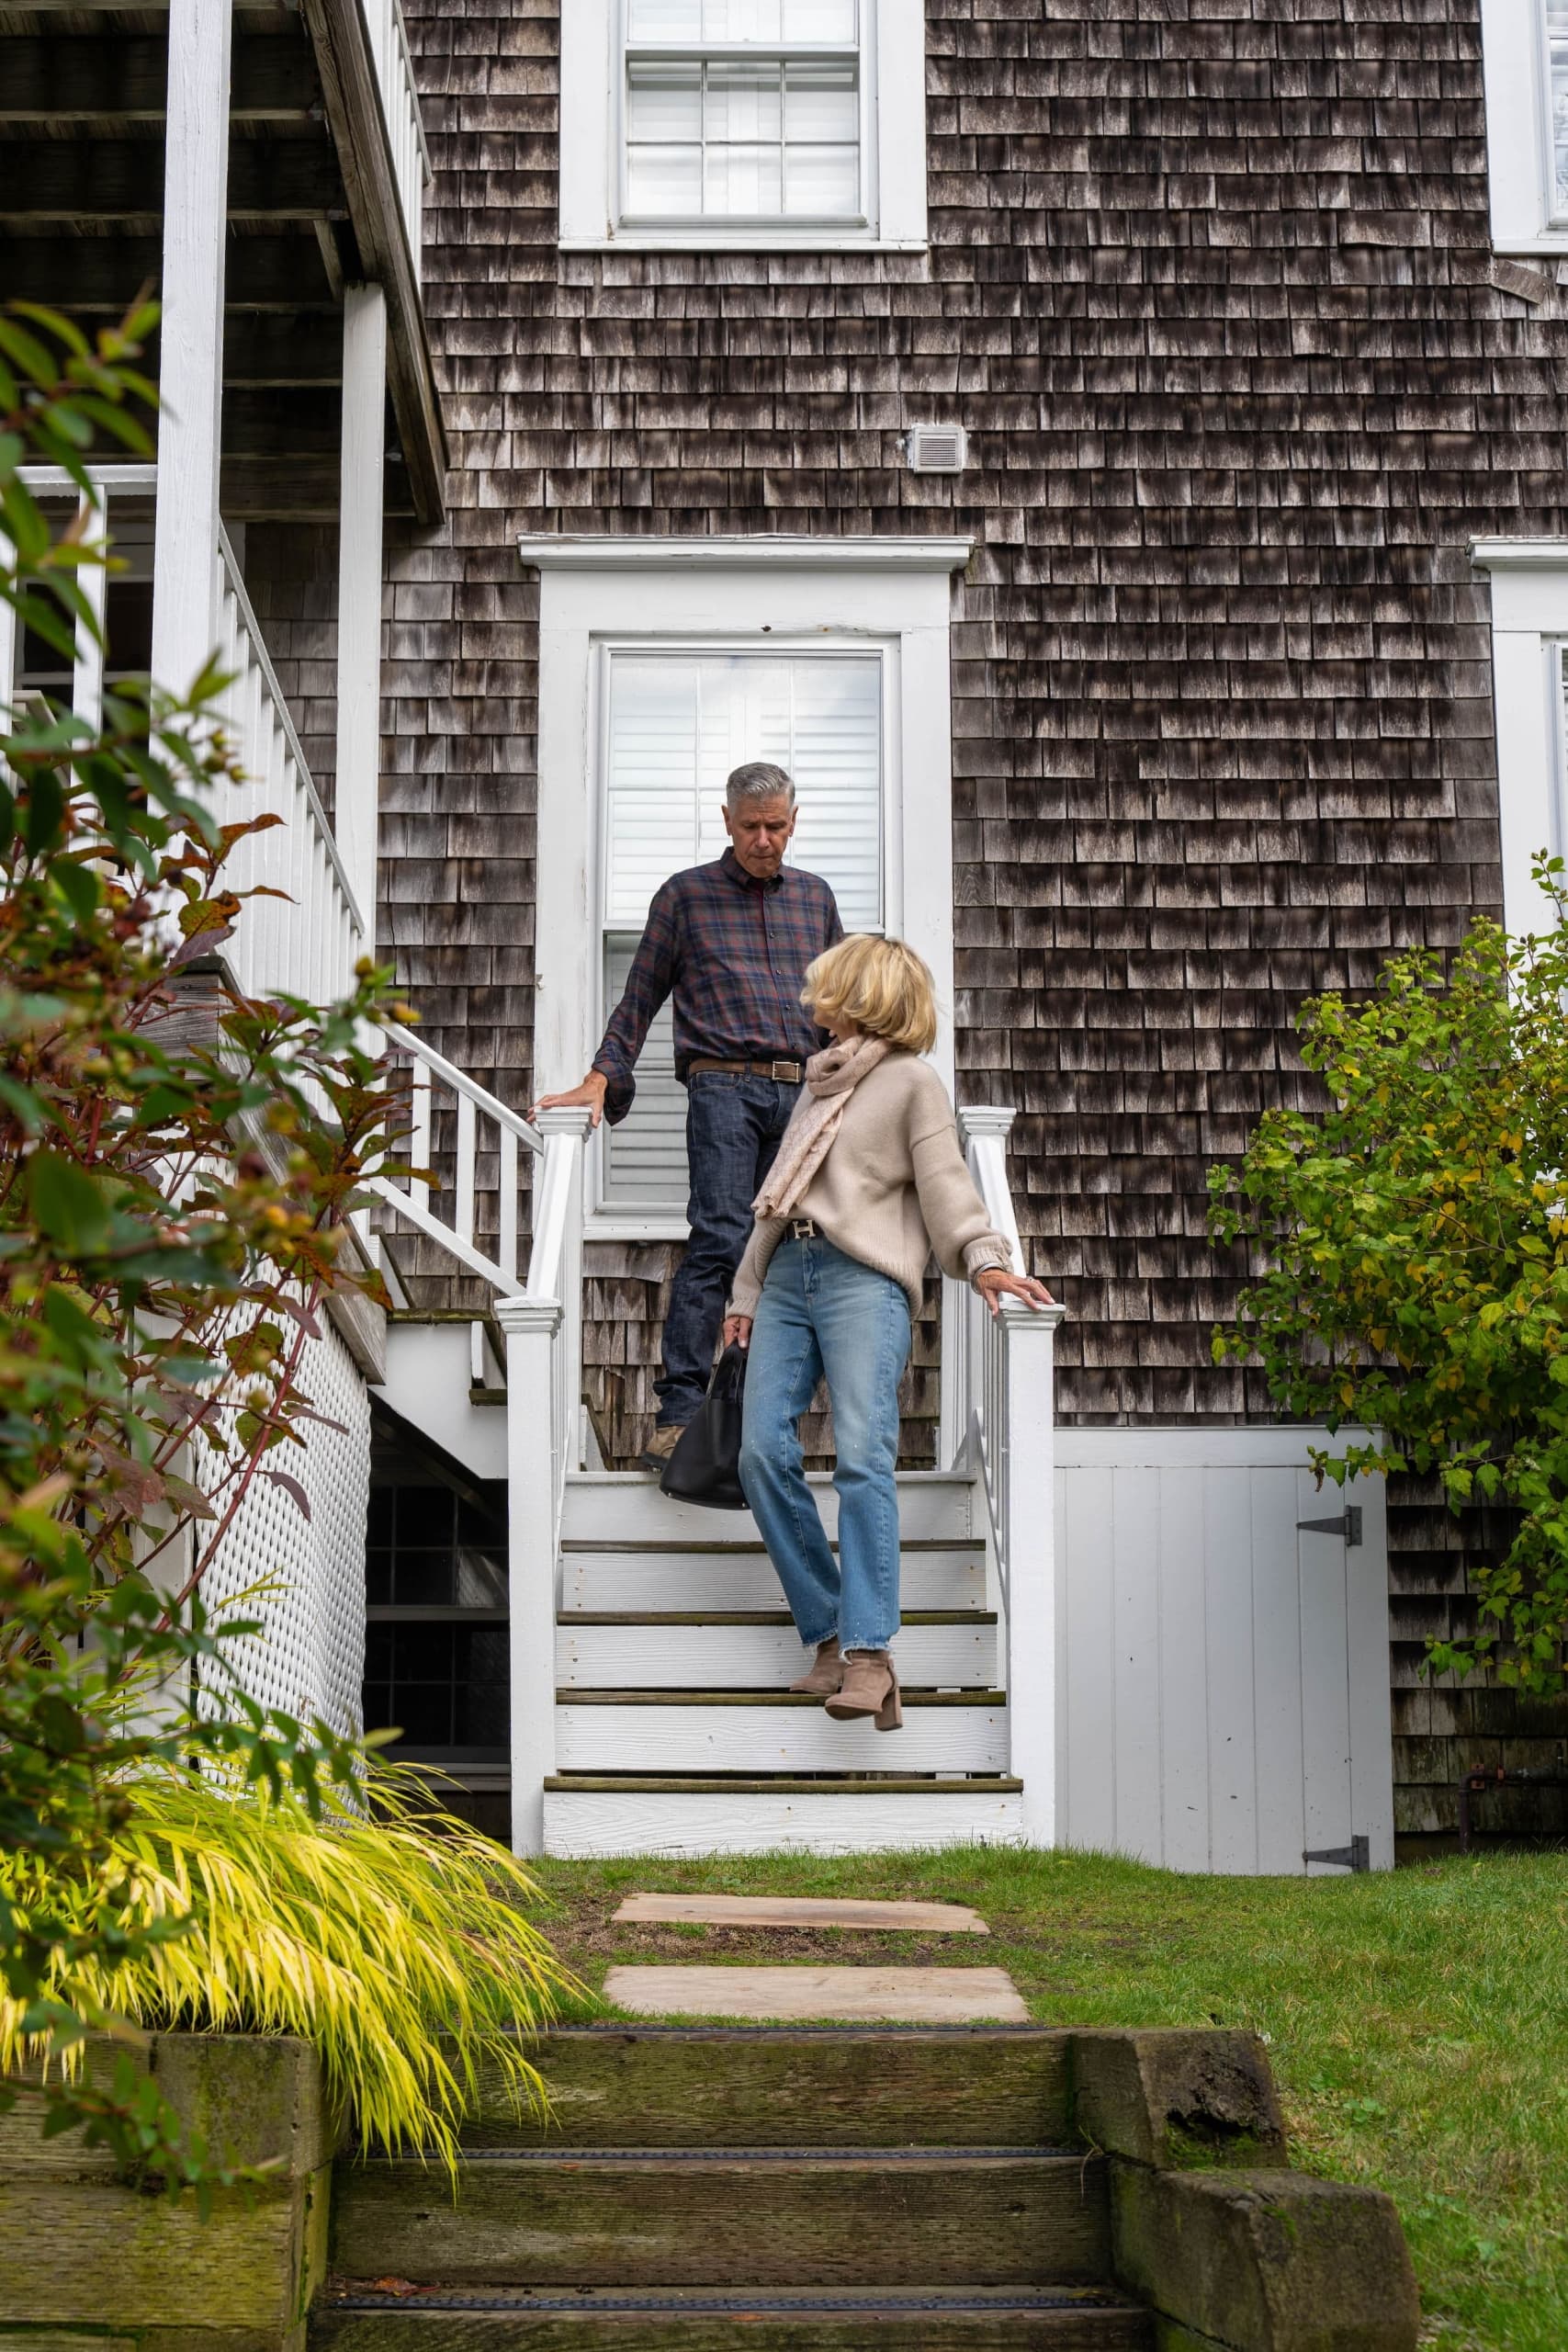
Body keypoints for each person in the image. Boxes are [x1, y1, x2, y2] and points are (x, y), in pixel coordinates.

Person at [722, 935, 1055, 1729]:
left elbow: (945, 1183)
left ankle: (868, 1655)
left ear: (863, 994)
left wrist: (984, 1261)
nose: (811, 1001)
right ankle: (832, 1631)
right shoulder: (820, 1082)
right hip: (788, 1277)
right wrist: (744, 1290)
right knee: (760, 1450)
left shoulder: (910, 1083)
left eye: (825, 988)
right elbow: (781, 1193)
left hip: (862, 1280)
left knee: (864, 1458)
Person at [529, 762, 841, 1470]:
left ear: (794, 821)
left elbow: (842, 1009)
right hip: (723, 1091)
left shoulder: (816, 899)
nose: (764, 839)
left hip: (802, 1097)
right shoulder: (685, 896)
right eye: (751, 826)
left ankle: (765, 1420)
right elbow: (640, 993)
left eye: (777, 826)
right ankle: (678, 1416)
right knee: (721, 1240)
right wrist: (603, 1074)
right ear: (726, 821)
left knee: (794, 1253)